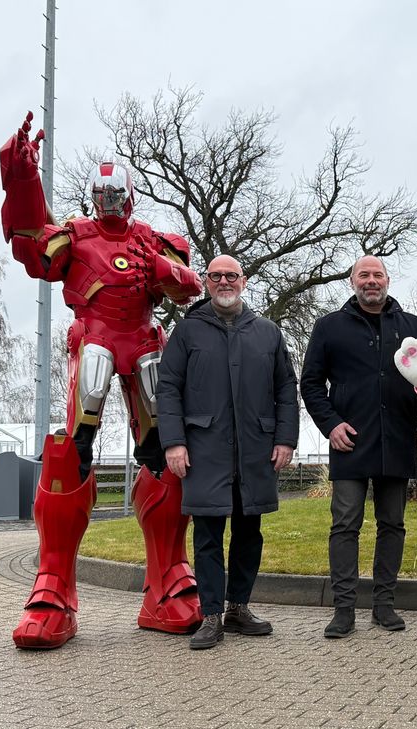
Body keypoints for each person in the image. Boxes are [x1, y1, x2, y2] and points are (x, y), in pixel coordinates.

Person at [1, 113, 204, 649]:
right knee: (71, 443)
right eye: (102, 195)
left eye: (117, 196)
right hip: (92, 336)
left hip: (141, 341)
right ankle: (54, 583)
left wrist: (169, 273)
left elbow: (191, 284)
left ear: (129, 197)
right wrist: (22, 180)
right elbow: (29, 243)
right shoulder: (76, 235)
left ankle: (168, 576)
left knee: (167, 447)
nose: (109, 204)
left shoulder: (150, 240)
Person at [301, 255, 417, 638]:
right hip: (349, 440)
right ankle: (344, 609)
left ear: (387, 280)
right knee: (345, 524)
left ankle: (384, 605)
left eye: (377, 275)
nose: (371, 281)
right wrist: (331, 425)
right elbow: (311, 384)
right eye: (363, 275)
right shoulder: (329, 327)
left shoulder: (414, 328)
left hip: (397, 438)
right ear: (353, 281)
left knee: (393, 524)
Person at [158, 255, 299, 650]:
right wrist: (174, 442)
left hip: (255, 451)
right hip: (204, 451)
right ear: (206, 281)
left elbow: (287, 390)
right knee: (207, 536)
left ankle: (238, 608)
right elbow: (167, 389)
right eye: (217, 276)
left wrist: (285, 439)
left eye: (231, 275)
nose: (224, 281)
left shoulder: (268, 332)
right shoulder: (186, 332)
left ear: (244, 281)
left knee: (249, 534)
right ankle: (211, 615)